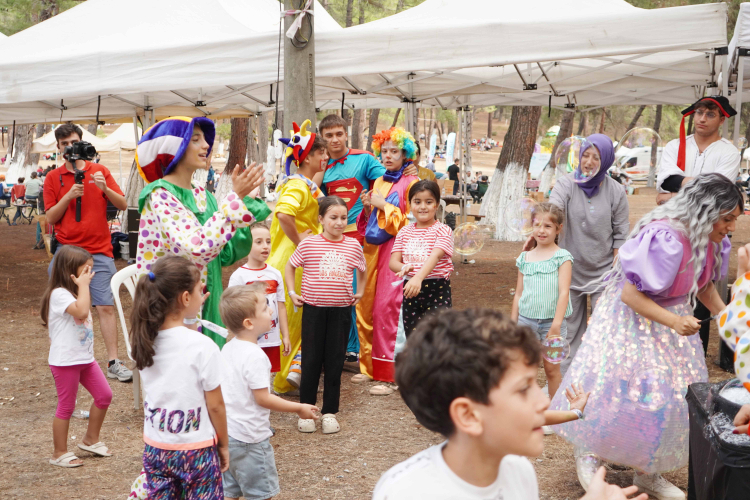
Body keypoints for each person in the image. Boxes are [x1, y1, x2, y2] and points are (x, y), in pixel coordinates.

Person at [550, 174, 741, 498]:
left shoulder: (708, 240)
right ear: (706, 210)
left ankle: (647, 470)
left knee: (666, 397)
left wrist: (729, 317)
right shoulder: (666, 238)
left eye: (735, 219)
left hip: (669, 326)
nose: (731, 227)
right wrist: (674, 321)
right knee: (616, 389)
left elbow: (703, 285)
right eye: (727, 218)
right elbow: (630, 295)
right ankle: (590, 450)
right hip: (631, 323)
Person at [373, 308, 648, 500]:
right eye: (523, 389)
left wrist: (575, 412)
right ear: (468, 415)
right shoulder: (406, 492)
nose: (542, 400)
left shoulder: (518, 470)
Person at [135, 116, 270, 347]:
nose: (206, 145)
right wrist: (234, 199)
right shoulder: (160, 196)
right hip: (175, 308)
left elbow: (223, 254)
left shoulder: (202, 194)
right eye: (195, 139)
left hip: (206, 299)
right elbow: (196, 248)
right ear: (174, 149)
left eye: (204, 139)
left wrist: (244, 203)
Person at [129, 256, 228, 499]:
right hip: (197, 451)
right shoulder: (203, 346)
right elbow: (216, 405)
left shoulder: (143, 341)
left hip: (156, 448)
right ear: (185, 298)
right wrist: (224, 444)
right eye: (198, 290)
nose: (201, 294)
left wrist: (190, 317)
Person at [534, 133, 629, 377]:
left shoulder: (616, 191)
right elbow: (553, 211)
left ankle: (598, 382)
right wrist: (542, 228)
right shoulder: (566, 184)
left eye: (596, 157)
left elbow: (621, 235)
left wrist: (615, 274)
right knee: (568, 332)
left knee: (602, 332)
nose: (588, 162)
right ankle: (566, 384)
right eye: (585, 155)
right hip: (569, 271)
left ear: (606, 161)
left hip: (604, 273)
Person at [44, 123, 131, 383]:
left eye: (74, 142)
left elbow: (123, 204)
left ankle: (113, 362)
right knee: (65, 308)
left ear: (82, 142)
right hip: (67, 253)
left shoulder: (100, 171)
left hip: (99, 251)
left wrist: (105, 188)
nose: (70, 148)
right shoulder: (53, 177)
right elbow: (51, 217)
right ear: (58, 148)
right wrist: (68, 196)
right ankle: (65, 360)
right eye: (65, 144)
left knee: (105, 306)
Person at [219, 285, 320, 500]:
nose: (271, 311)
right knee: (261, 495)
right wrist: (298, 408)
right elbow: (263, 398)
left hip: (227, 435)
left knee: (229, 492)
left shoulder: (227, 348)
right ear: (249, 323)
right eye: (265, 308)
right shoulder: (255, 356)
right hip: (250, 439)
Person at [286, 196, 366, 434]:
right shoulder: (309, 244)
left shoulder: (353, 245)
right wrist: (292, 292)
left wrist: (360, 291)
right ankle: (306, 409)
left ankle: (330, 412)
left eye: (343, 217)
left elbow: (362, 269)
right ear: (321, 219)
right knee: (311, 360)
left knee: (335, 361)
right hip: (313, 310)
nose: (339, 222)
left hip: (341, 311)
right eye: (333, 217)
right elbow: (290, 266)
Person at [355, 127, 420, 392]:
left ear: (406, 154)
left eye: (395, 151)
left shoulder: (412, 182)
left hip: (397, 251)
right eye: (384, 151)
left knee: (389, 309)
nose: (389, 155)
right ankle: (369, 366)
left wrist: (383, 206)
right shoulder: (379, 181)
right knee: (367, 306)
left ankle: (389, 375)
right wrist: (368, 207)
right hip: (373, 252)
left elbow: (414, 222)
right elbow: (371, 223)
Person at [269, 120, 328, 394]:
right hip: (293, 262)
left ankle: (290, 374)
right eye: (321, 153)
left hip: (296, 260)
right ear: (307, 158)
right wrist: (300, 241)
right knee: (293, 321)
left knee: (297, 320)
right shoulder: (297, 186)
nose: (325, 157)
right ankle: (283, 380)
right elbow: (283, 214)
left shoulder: (304, 184)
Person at [41, 245, 113, 468]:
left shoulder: (76, 292)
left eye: (91, 269)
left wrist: (82, 287)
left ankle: (90, 439)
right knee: (67, 406)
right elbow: (81, 312)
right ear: (70, 271)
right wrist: (83, 286)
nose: (90, 274)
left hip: (85, 359)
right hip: (66, 362)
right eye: (86, 270)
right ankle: (59, 453)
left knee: (104, 395)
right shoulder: (59, 294)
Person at [511, 203, 572, 408]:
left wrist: (556, 326)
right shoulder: (525, 258)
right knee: (524, 369)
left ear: (558, 229)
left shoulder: (562, 258)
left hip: (551, 325)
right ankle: (526, 411)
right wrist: (513, 324)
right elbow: (518, 293)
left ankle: (555, 413)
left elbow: (564, 292)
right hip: (525, 323)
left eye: (548, 226)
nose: (542, 230)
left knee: (552, 370)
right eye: (537, 225)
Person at [390, 180, 453, 337]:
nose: (423, 206)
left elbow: (436, 255)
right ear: (410, 204)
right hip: (410, 290)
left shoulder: (443, 230)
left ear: (436, 205)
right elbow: (393, 262)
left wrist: (418, 277)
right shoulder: (404, 232)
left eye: (428, 202)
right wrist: (403, 268)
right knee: (415, 338)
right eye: (417, 202)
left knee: (437, 337)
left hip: (437, 289)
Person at [228, 223, 290, 375]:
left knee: (267, 376)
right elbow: (232, 311)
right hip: (248, 340)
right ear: (247, 245)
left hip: (272, 339)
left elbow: (281, 306)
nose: (265, 246)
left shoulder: (275, 274)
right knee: (249, 375)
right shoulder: (239, 276)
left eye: (268, 241)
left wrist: (285, 336)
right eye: (259, 242)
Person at [656, 96, 741, 206]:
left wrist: (672, 196)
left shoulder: (729, 152)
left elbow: (718, 193)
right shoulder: (674, 146)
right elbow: (667, 182)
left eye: (710, 115)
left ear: (721, 120)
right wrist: (706, 187)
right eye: (699, 112)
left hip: (708, 216)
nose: (702, 119)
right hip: (672, 215)